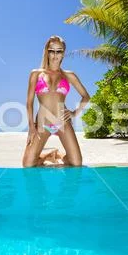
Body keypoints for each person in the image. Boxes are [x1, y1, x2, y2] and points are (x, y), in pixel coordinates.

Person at [22, 35, 90, 167]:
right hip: (43, 122)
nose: (55, 55)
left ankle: (59, 156)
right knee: (28, 164)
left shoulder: (69, 75)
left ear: (63, 53)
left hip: (62, 121)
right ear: (46, 52)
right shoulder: (36, 74)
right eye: (51, 51)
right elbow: (29, 103)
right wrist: (31, 127)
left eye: (59, 51)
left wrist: (74, 113)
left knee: (76, 163)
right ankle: (49, 155)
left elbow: (86, 96)